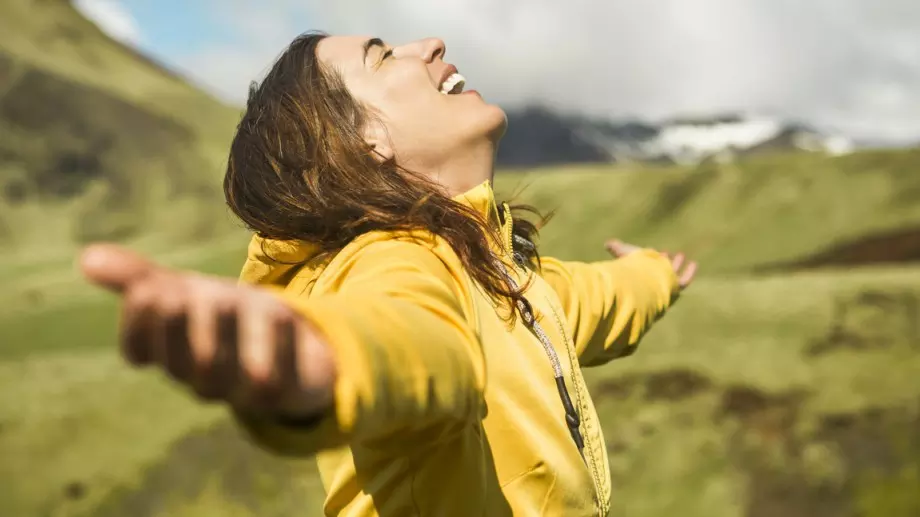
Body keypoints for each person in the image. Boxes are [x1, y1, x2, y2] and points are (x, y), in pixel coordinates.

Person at [80, 31, 697, 517]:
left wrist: (653, 273)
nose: (431, 44)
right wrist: (326, 360)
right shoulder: (397, 257)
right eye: (381, 56)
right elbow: (407, 336)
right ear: (363, 140)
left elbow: (590, 299)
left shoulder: (498, 271)